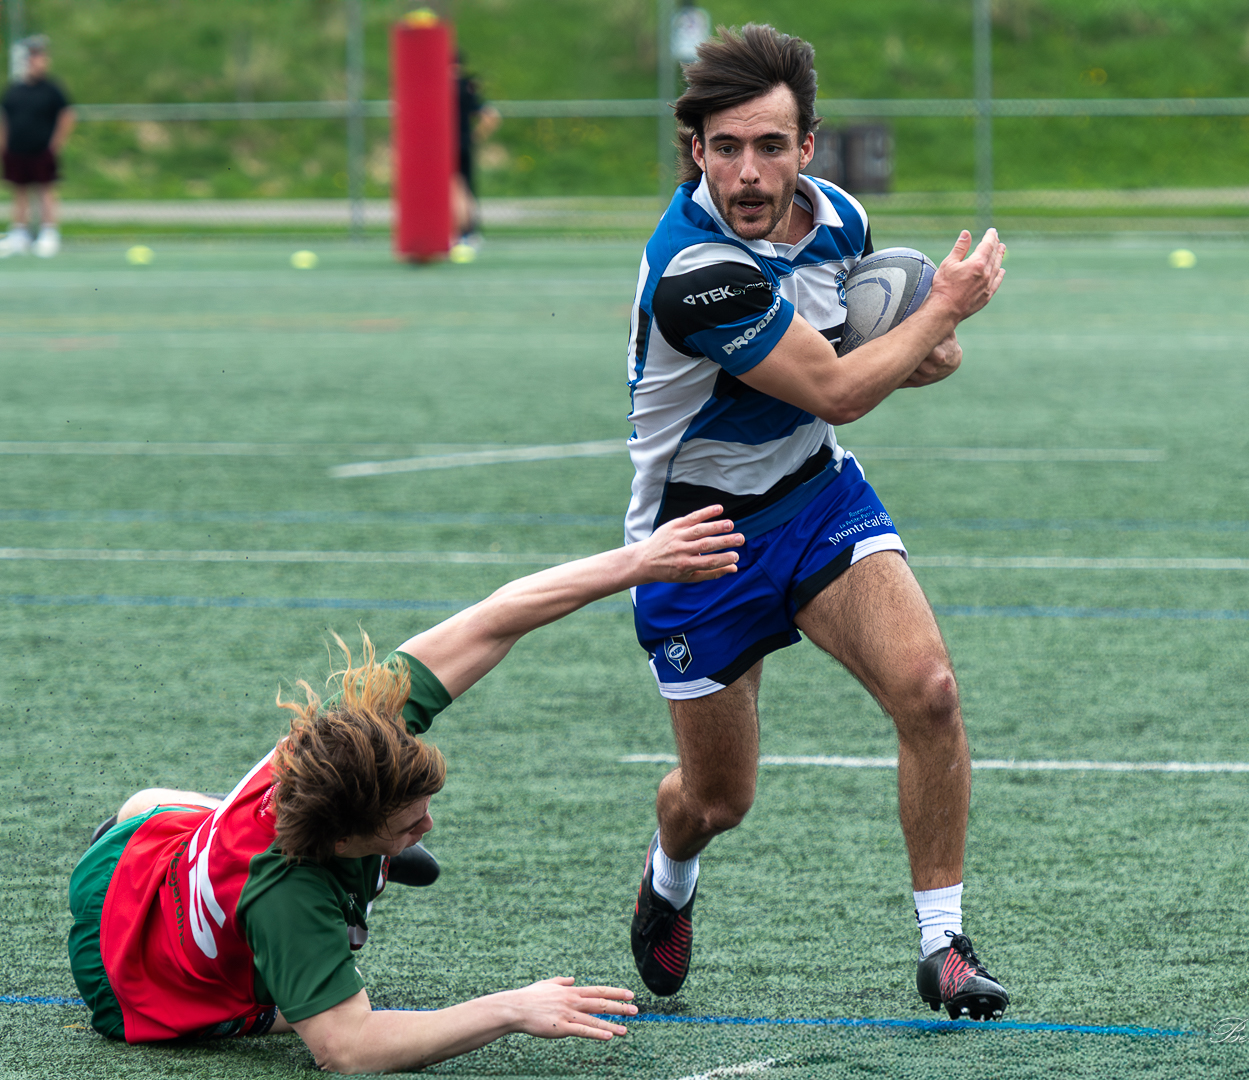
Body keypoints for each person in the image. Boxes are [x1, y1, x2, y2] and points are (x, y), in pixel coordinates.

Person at [622, 24, 1010, 1021]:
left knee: (928, 691)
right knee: (718, 802)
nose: (749, 172)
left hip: (815, 497)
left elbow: (886, 354)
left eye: (770, 146)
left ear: (808, 147)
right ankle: (671, 869)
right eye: (726, 147)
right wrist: (946, 307)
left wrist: (932, 336)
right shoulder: (694, 268)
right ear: (694, 151)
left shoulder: (836, 216)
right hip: (697, 542)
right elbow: (837, 386)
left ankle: (945, 945)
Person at [69, 506, 744, 1074]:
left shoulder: (360, 723)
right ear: (338, 840)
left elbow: (494, 618)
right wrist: (511, 1008)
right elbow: (349, 1050)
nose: (428, 826)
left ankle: (188, 842)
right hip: (131, 981)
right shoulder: (291, 896)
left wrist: (640, 560)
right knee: (306, 1011)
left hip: (142, 855)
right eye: (405, 826)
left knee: (151, 808)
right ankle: (245, 919)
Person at [0, 35, 75, 258]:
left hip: (42, 149)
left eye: (40, 57)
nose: (36, 62)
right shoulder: (14, 90)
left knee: (46, 191)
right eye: (32, 58)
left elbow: (67, 115)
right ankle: (19, 234)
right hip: (16, 150)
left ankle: (48, 233)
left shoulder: (52, 89)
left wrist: (56, 143)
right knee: (19, 192)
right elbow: (4, 117)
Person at [452, 52, 500, 246]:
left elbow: (491, 116)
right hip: (463, 143)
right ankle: (470, 232)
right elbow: (490, 116)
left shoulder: (446, 87)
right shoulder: (467, 86)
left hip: (451, 145)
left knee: (456, 188)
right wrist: (474, 137)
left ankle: (464, 232)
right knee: (465, 188)